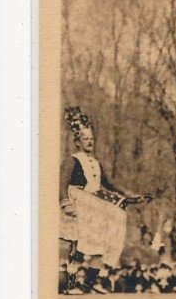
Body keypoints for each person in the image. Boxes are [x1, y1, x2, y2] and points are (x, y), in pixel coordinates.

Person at [60, 106, 151, 266]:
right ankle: (71, 280)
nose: (90, 142)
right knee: (77, 244)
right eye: (86, 139)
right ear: (77, 142)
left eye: (92, 139)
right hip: (78, 203)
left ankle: (93, 276)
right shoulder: (72, 160)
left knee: (103, 238)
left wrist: (128, 195)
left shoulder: (96, 163)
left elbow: (109, 183)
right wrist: (66, 204)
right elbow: (62, 183)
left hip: (93, 204)